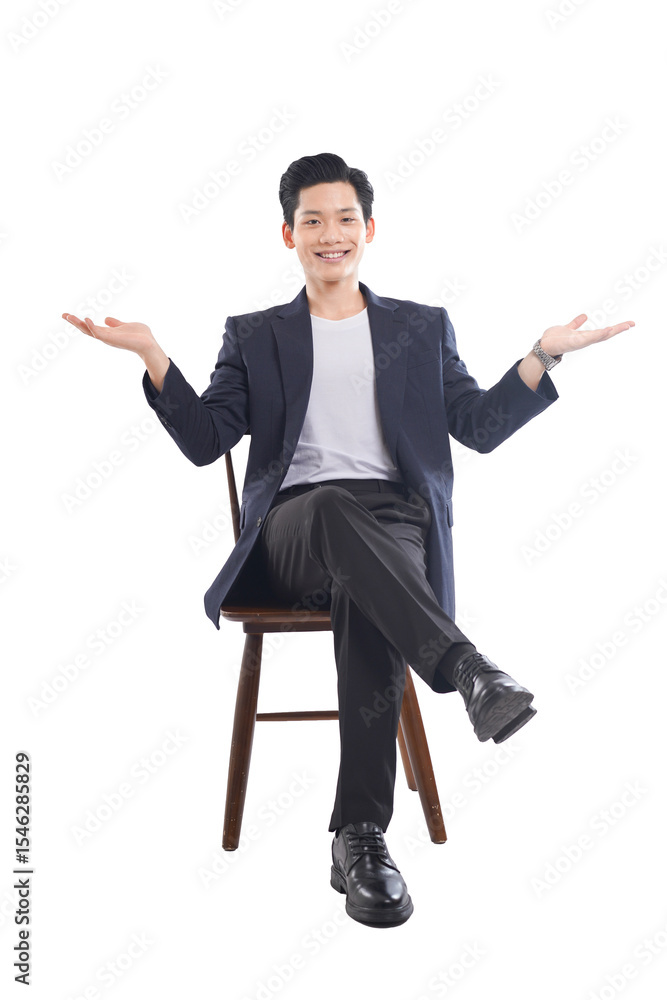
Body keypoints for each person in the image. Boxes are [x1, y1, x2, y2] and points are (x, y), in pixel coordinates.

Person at [62, 152, 634, 929]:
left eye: (343, 219)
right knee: (334, 512)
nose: (329, 234)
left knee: (369, 590)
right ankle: (465, 670)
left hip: (393, 527)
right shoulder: (255, 335)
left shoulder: (419, 327)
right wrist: (153, 356)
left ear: (368, 229)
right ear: (288, 235)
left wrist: (543, 355)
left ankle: (359, 840)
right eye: (312, 220)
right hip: (293, 533)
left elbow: (477, 427)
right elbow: (205, 442)